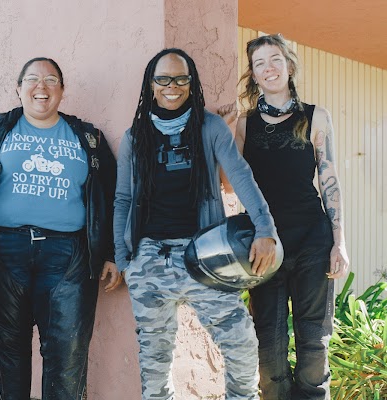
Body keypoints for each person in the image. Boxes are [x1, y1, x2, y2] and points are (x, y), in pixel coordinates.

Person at [0, 57, 119, 400]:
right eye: (32, 80)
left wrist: (112, 253)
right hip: (2, 254)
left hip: (69, 257)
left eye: (51, 80)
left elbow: (112, 196)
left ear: (62, 91)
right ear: (18, 88)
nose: (41, 87)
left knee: (66, 359)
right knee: (6, 358)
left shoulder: (89, 138)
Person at [113, 48, 278, 400]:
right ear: (151, 84)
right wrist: (125, 259)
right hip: (150, 258)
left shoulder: (210, 127)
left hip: (205, 254)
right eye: (163, 79)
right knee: (155, 362)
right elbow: (123, 200)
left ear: (191, 82)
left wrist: (266, 230)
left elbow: (241, 176)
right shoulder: (134, 137)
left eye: (181, 78)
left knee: (240, 343)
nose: (172, 86)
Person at [224, 33, 349, 399]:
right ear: (254, 74)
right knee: (269, 340)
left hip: (313, 237)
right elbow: (231, 187)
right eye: (260, 63)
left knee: (314, 340)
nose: (269, 68)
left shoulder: (315, 117)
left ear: (289, 65)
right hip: (265, 243)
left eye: (275, 59)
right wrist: (229, 132)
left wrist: (339, 242)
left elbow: (329, 181)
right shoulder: (246, 124)